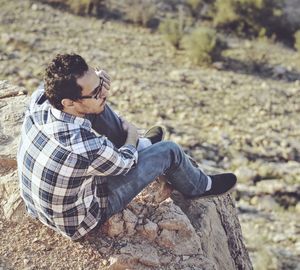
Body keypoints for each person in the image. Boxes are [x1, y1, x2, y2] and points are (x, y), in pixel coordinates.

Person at [17, 53, 237, 241]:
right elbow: (125, 164)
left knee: (94, 108)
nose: (104, 92)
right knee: (169, 150)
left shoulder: (41, 99)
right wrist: (131, 137)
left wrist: (96, 86)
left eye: (99, 84)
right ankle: (199, 186)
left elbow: (84, 101)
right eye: (96, 90)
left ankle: (143, 144)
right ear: (68, 102)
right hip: (79, 219)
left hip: (37, 207)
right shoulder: (86, 148)